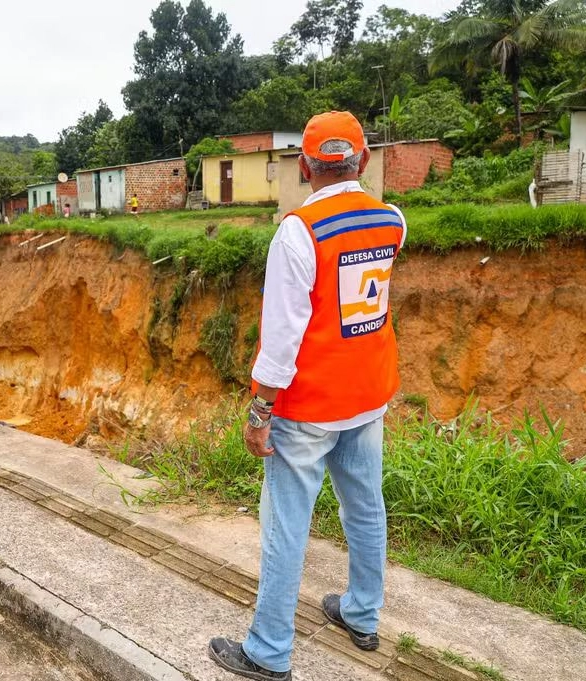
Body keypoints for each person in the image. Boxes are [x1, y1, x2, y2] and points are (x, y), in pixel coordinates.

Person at [208, 111, 407, 681]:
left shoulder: (299, 231)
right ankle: (362, 614)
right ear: (363, 161)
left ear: (303, 165)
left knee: (287, 523)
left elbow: (282, 336)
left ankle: (269, 651)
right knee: (365, 507)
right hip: (368, 399)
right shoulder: (392, 220)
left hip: (309, 407)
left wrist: (259, 409)